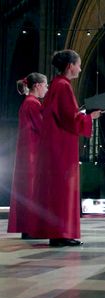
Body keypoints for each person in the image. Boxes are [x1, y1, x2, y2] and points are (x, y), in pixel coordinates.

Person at [30, 50, 101, 246]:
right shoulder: (63, 86)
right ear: (70, 66)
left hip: (55, 145)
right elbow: (71, 118)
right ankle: (61, 234)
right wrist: (90, 118)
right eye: (78, 64)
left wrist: (82, 115)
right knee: (63, 190)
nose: (79, 67)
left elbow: (62, 114)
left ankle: (58, 233)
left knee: (58, 190)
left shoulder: (55, 85)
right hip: (62, 147)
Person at [7, 73, 48, 239]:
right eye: (45, 85)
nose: (47, 89)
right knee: (32, 191)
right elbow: (43, 127)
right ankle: (31, 229)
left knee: (27, 191)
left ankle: (28, 228)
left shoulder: (28, 103)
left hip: (27, 152)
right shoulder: (32, 103)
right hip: (33, 153)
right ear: (37, 85)